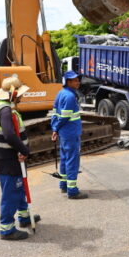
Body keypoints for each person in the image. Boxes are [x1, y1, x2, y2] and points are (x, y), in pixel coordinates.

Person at [0, 74, 40, 241]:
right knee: (11, 193)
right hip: (8, 159)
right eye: (20, 94)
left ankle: (24, 216)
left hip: (9, 157)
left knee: (19, 188)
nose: (22, 97)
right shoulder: (5, 110)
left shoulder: (1, 106)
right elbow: (9, 135)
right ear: (13, 94)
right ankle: (7, 229)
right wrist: (24, 150)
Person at [51, 70, 87, 199]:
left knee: (65, 159)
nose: (78, 82)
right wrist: (56, 128)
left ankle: (64, 185)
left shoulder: (61, 93)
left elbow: (55, 113)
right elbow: (64, 117)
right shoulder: (70, 97)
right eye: (75, 80)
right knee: (72, 161)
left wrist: (55, 129)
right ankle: (72, 191)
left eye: (78, 80)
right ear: (68, 82)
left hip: (64, 133)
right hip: (71, 133)